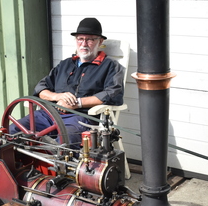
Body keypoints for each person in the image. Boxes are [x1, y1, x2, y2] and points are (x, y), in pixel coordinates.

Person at [13, 18, 124, 146]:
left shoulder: (110, 66)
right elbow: (41, 88)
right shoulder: (65, 64)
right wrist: (57, 96)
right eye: (80, 39)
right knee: (13, 131)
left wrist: (77, 103)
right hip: (49, 114)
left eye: (90, 39)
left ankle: (52, 165)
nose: (84, 44)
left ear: (100, 42)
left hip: (80, 118)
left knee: (63, 144)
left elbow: (113, 94)